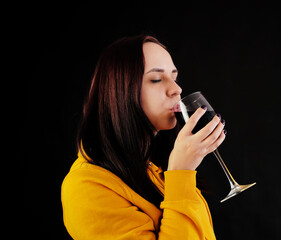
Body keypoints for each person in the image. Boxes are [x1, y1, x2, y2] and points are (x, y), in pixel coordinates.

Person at [61, 34, 226, 239]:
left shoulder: (152, 166)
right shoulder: (85, 187)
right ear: (120, 91)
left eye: (174, 78)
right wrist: (181, 173)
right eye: (156, 79)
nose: (176, 89)